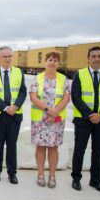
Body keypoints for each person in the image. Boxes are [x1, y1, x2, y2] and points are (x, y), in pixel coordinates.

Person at [71, 46, 100, 193]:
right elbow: (75, 97)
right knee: (79, 150)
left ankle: (95, 181)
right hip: (83, 120)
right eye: (94, 56)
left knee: (98, 151)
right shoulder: (80, 74)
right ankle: (76, 179)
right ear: (88, 59)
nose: (97, 59)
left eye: (99, 56)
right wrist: (91, 114)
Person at [0, 46, 27, 184]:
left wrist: (15, 106)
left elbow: (22, 92)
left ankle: (12, 173)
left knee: (12, 145)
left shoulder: (18, 72)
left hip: (14, 115)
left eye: (10, 56)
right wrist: (5, 107)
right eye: (4, 56)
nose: (8, 59)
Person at [30, 52, 70, 188]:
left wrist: (55, 112)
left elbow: (66, 98)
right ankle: (40, 174)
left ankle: (52, 176)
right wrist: (49, 110)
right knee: (40, 147)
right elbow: (33, 97)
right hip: (40, 119)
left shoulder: (64, 79)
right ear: (45, 62)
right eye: (50, 60)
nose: (52, 62)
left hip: (56, 120)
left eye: (55, 60)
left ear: (58, 63)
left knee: (53, 148)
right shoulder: (37, 79)